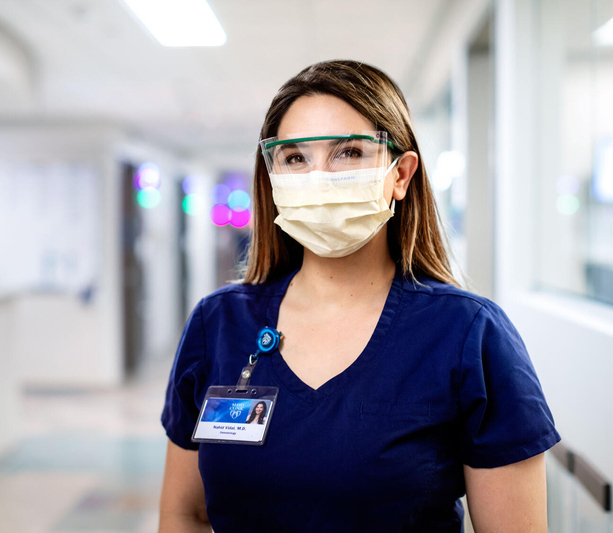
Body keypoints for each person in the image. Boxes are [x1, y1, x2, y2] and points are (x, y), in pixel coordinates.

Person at [159, 60, 561, 532]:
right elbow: (184, 514)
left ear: (401, 174)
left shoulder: (468, 334)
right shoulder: (219, 324)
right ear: (273, 177)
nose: (318, 178)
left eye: (348, 153)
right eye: (294, 158)